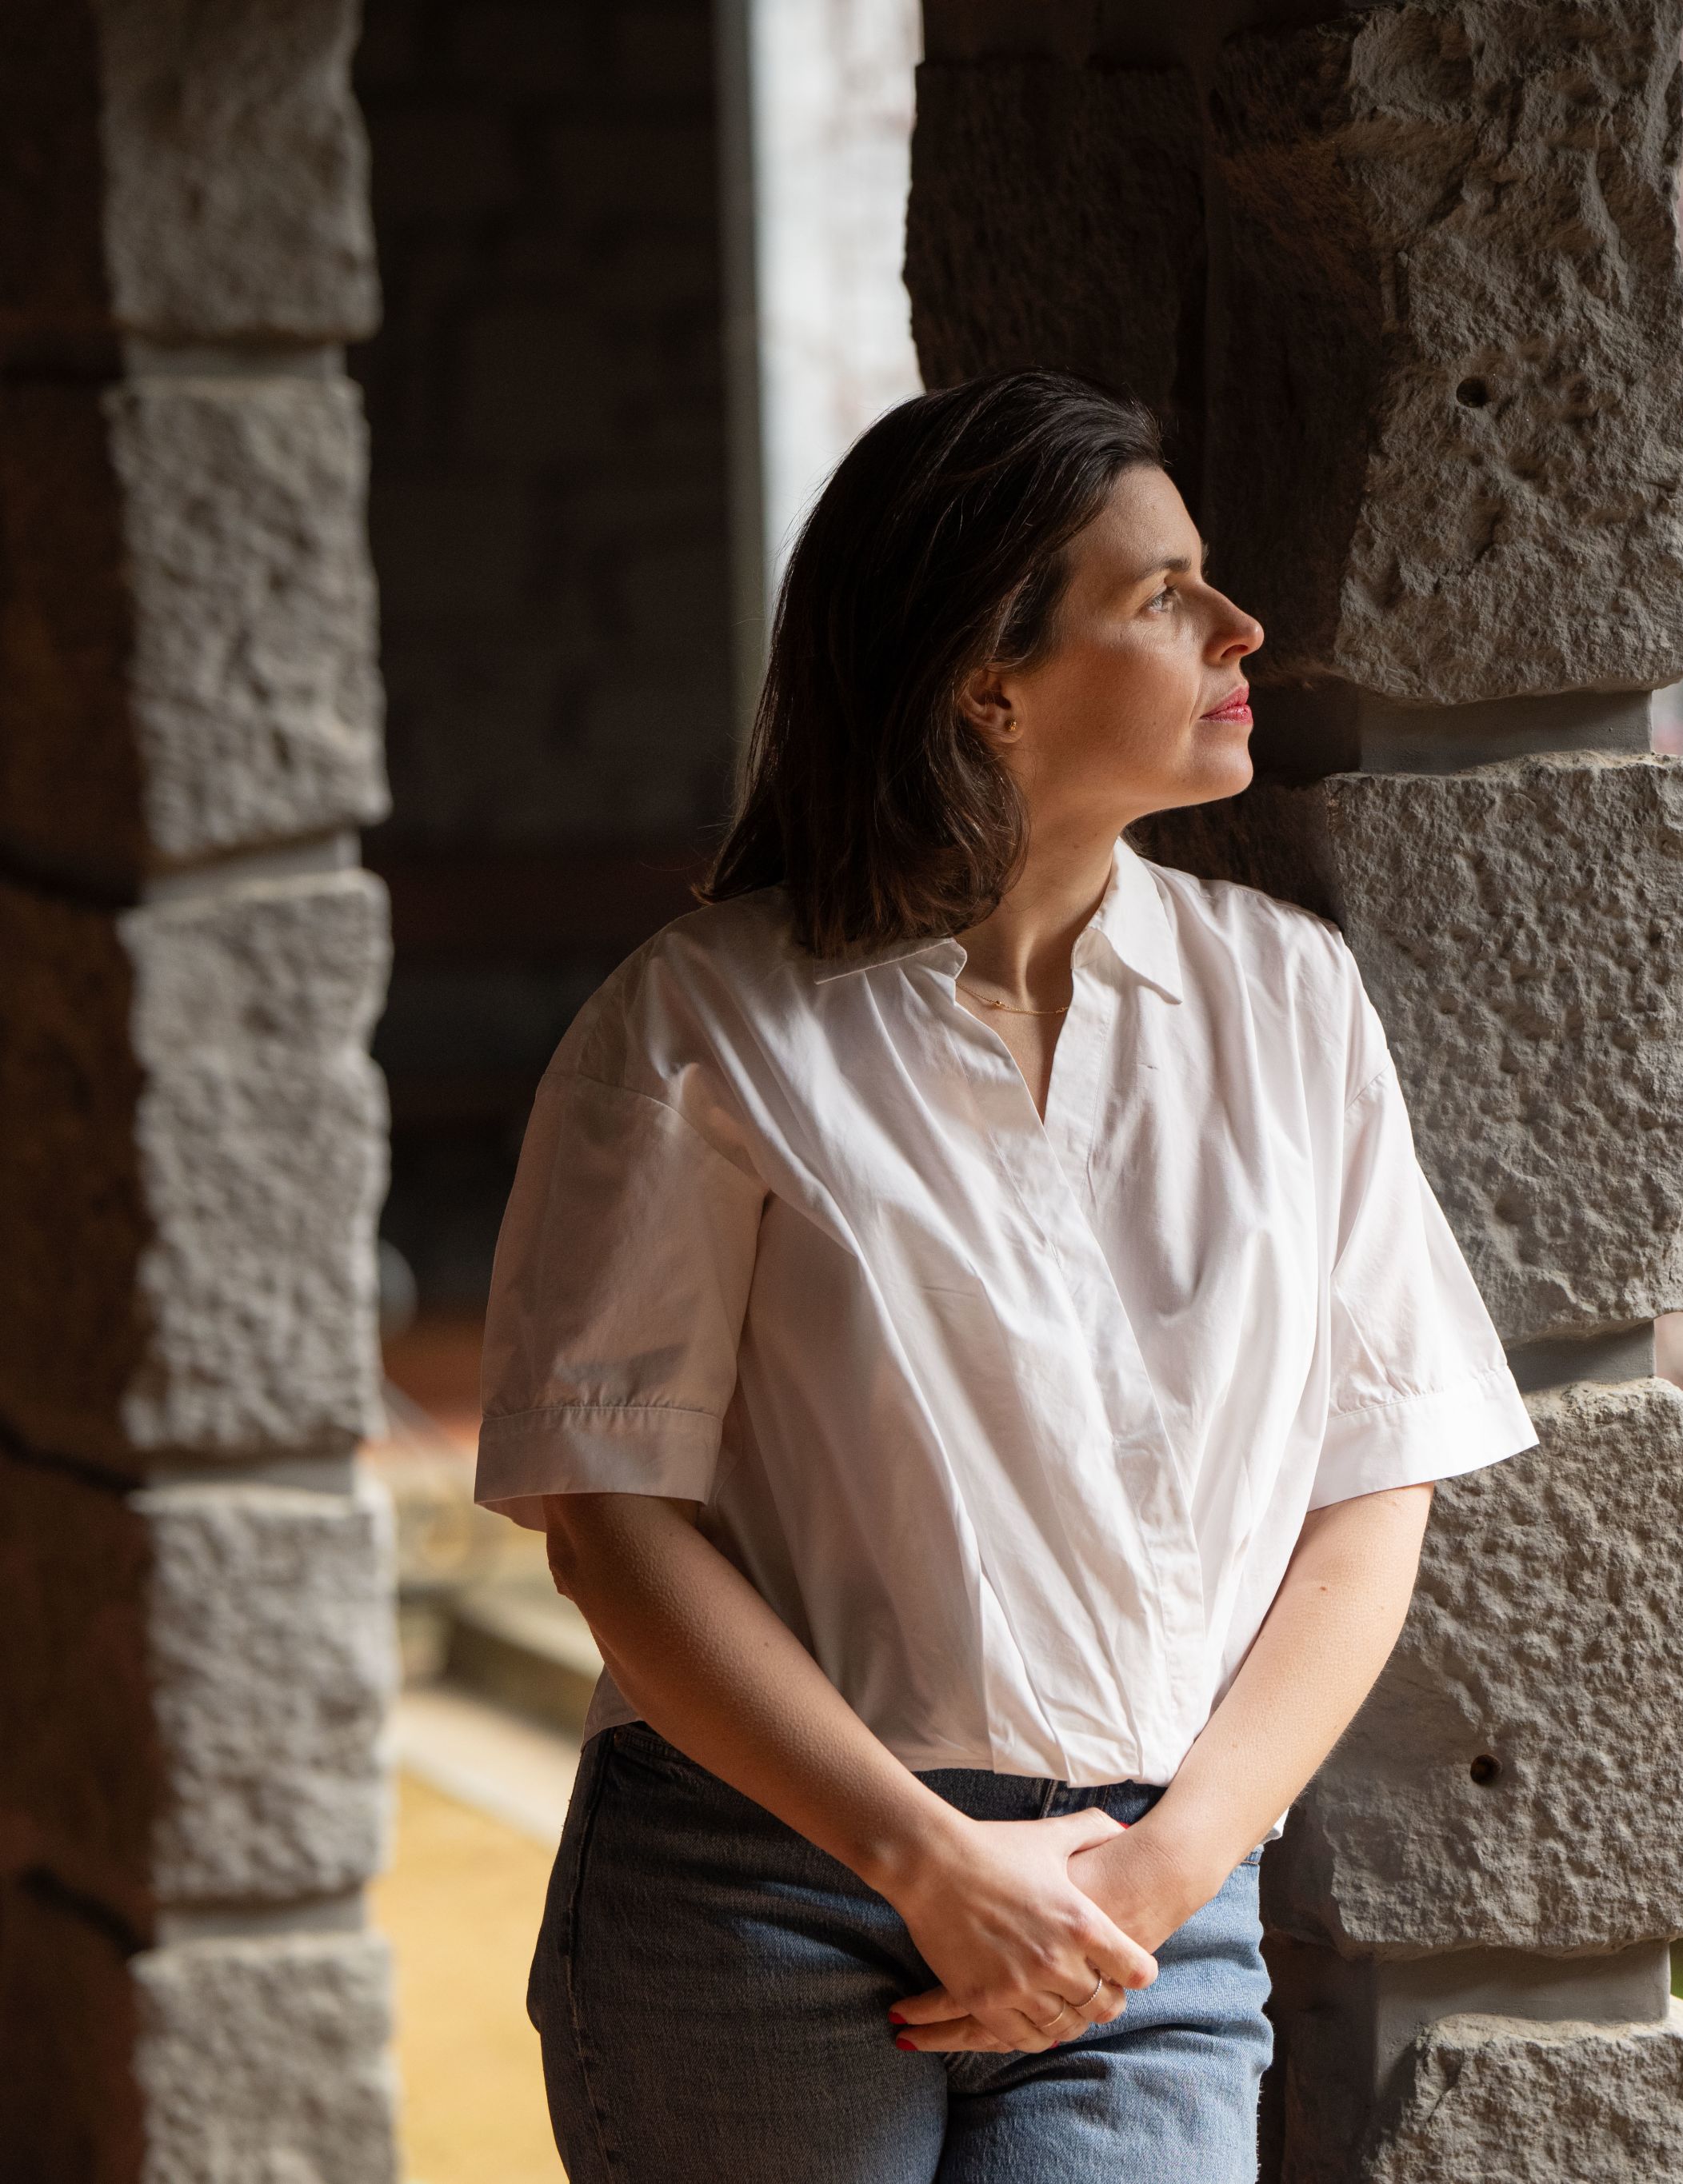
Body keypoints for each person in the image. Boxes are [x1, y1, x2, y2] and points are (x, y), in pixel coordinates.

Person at [474, 371, 1537, 2183]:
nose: (1239, 626)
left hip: (1153, 1913)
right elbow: (607, 1516)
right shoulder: (701, 1029)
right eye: (1161, 592)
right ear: (989, 680)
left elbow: (1378, 1485)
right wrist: (924, 1860)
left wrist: (1167, 1863)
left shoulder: (1286, 1003)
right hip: (756, 1894)